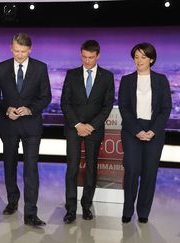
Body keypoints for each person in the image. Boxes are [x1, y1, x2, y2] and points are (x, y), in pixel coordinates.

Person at [0, 33, 51, 227]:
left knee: (31, 169)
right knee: (9, 165)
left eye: (23, 52)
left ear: (30, 50)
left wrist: (30, 109)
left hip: (31, 125)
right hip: (9, 124)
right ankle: (12, 202)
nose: (19, 55)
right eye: (16, 51)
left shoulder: (40, 68)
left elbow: (46, 97)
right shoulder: (1, 68)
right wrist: (7, 109)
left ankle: (30, 213)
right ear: (11, 48)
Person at [60, 40, 114, 224]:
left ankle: (86, 206)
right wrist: (77, 124)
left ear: (97, 55)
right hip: (73, 128)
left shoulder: (107, 76)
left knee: (91, 169)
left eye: (91, 57)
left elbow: (107, 106)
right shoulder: (71, 74)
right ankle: (70, 209)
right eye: (84, 57)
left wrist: (92, 126)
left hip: (94, 129)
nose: (87, 61)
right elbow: (65, 103)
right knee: (72, 169)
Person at [119, 43, 172, 224]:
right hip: (131, 130)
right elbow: (124, 109)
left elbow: (166, 109)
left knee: (149, 173)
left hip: (154, 131)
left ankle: (143, 212)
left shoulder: (161, 80)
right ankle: (127, 210)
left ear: (151, 59)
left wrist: (153, 131)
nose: (139, 60)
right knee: (132, 170)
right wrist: (137, 131)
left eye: (143, 57)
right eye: (136, 57)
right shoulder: (126, 80)